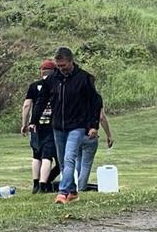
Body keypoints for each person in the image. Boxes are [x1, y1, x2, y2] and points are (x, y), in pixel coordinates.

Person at [28, 46, 101, 204]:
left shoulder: (84, 78)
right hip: (58, 127)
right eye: (58, 66)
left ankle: (63, 192)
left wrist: (93, 125)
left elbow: (95, 102)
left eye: (64, 66)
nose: (62, 70)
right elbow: (41, 101)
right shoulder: (52, 80)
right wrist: (33, 120)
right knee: (62, 161)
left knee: (69, 159)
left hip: (77, 126)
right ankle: (73, 191)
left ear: (71, 61)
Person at [21, 59, 58, 193]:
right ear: (54, 72)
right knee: (47, 156)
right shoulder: (56, 85)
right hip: (51, 125)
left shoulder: (33, 86)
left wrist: (24, 124)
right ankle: (43, 185)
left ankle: (35, 184)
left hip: (35, 126)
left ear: (41, 72)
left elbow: (26, 106)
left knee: (36, 155)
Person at [77, 99, 114, 191]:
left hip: (76, 134)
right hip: (90, 136)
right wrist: (109, 135)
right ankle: (81, 187)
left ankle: (74, 186)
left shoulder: (76, 94)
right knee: (86, 164)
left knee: (78, 161)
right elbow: (101, 117)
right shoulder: (96, 98)